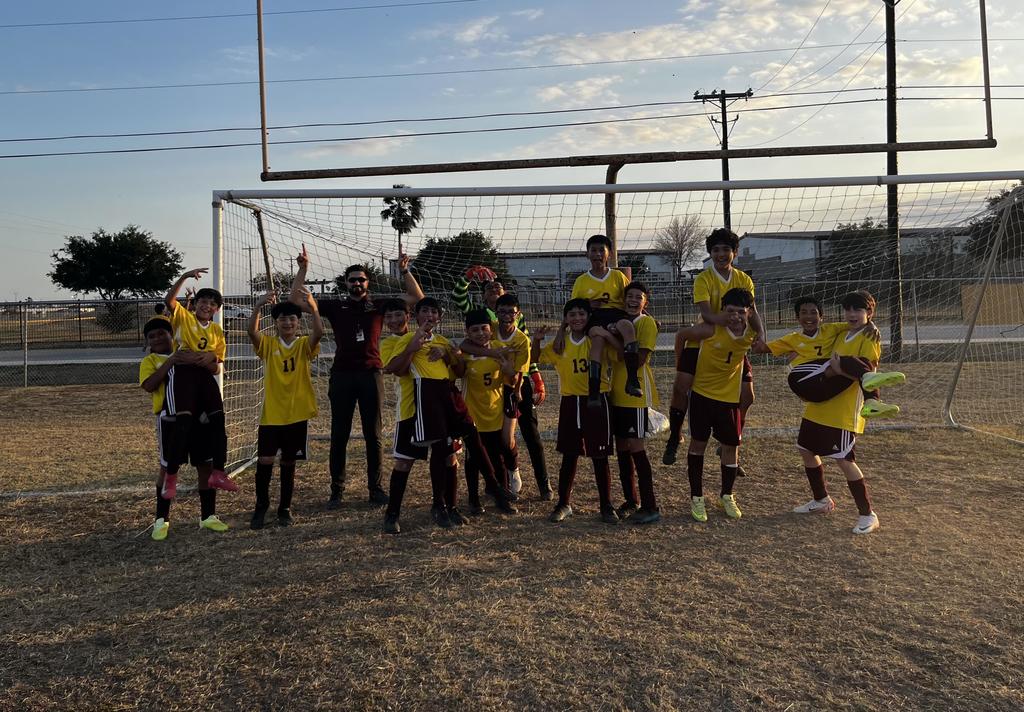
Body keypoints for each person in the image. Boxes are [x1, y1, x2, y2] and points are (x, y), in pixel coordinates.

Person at [289, 245, 423, 508]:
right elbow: (295, 301)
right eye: (352, 280)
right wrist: (303, 269)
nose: (357, 283)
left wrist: (405, 270)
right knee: (339, 434)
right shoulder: (335, 306)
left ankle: (376, 489)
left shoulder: (379, 305)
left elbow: (417, 298)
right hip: (342, 375)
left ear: (367, 282)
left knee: (373, 435)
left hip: (371, 373)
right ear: (346, 283)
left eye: (361, 279)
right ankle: (336, 491)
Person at [383, 298, 514, 534]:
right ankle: (392, 514)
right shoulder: (401, 340)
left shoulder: (442, 341)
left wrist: (448, 355)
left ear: (439, 317)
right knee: (404, 461)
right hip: (411, 409)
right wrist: (413, 347)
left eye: (434, 312)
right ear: (415, 316)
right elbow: (395, 369)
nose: (429, 316)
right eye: (425, 311)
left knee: (450, 455)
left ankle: (450, 506)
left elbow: (457, 372)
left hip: (444, 404)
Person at [663, 228, 766, 469]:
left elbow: (752, 312)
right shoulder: (704, 279)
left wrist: (761, 334)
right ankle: (675, 436)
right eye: (716, 250)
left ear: (735, 252)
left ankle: (729, 442)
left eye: (726, 249)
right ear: (710, 253)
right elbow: (708, 315)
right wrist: (731, 320)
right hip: (704, 341)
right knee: (680, 388)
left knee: (747, 396)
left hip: (733, 344)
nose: (721, 254)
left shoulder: (744, 280)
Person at [790, 290, 887, 535]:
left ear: (869, 313)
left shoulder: (869, 337)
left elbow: (867, 371)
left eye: (858, 310)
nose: (852, 314)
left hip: (843, 409)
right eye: (848, 309)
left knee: (844, 460)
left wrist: (838, 369)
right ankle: (821, 500)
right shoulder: (842, 333)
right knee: (806, 449)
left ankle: (868, 514)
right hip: (820, 404)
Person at [453, 267, 552, 499]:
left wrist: (535, 379)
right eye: (489, 288)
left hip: (516, 384)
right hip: (492, 386)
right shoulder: (487, 322)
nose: (494, 289)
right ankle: (499, 483)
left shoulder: (518, 326)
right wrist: (468, 275)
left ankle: (543, 483)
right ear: (489, 302)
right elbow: (460, 304)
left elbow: (526, 358)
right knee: (497, 440)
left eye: (498, 286)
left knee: (530, 434)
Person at [674, 288, 757, 523]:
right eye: (730, 311)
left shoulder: (751, 332)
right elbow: (681, 335)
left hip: (729, 398)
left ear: (749, 313)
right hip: (702, 395)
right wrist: (681, 364)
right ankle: (697, 497)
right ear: (722, 311)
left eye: (740, 312)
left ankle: (727, 495)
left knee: (731, 447)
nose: (735, 316)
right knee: (698, 445)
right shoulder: (710, 329)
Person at [139, 315, 226, 539]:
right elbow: (149, 385)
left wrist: (209, 358)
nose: (157, 338)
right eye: (152, 336)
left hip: (198, 418)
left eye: (162, 333)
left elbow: (215, 368)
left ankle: (208, 516)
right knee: (168, 467)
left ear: (172, 334)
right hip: (170, 420)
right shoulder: (150, 361)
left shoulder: (187, 351)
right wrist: (171, 361)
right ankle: (161, 520)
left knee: (204, 464)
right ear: (147, 342)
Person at [533, 299, 619, 525]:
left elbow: (620, 354)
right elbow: (535, 359)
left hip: (596, 400)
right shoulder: (560, 343)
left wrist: (607, 334)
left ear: (589, 316)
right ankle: (563, 503)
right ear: (566, 319)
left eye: (582, 314)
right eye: (572, 314)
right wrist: (537, 340)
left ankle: (606, 505)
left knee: (600, 456)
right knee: (569, 455)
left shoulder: (596, 339)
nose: (577, 318)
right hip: (570, 402)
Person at [246, 289, 324, 529]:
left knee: (289, 462)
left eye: (292, 318)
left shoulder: (303, 345)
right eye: (282, 319)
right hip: (272, 415)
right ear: (276, 323)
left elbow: (319, 333)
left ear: (298, 322)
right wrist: (258, 306)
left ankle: (285, 509)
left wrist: (313, 308)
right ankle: (261, 507)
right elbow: (252, 332)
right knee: (265, 460)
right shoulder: (269, 344)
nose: (287, 322)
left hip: (296, 414)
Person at [751, 295, 905, 415]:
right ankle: (867, 377)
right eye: (804, 313)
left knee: (856, 362)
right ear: (797, 318)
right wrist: (754, 338)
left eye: (814, 313)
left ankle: (872, 401)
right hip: (804, 379)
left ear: (821, 317)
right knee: (841, 361)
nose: (809, 317)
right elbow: (762, 348)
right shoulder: (792, 339)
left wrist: (871, 324)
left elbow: (857, 323)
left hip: (825, 384)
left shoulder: (830, 330)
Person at [163, 268, 237, 494]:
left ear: (217, 309)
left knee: (218, 421)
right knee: (183, 423)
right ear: (195, 304)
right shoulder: (184, 318)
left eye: (212, 303)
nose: (207, 306)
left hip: (205, 377)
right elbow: (169, 300)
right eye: (203, 301)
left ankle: (219, 473)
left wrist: (208, 358)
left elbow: (216, 366)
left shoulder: (217, 331)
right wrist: (184, 276)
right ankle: (171, 476)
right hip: (184, 374)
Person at [608, 282, 661, 524]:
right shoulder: (620, 323)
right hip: (616, 393)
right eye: (629, 296)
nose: (633, 300)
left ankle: (651, 506)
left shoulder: (645, 323)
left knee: (636, 447)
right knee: (622, 447)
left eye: (638, 297)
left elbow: (638, 360)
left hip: (635, 395)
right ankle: (631, 500)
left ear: (645, 302)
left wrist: (611, 337)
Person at [460, 308, 520, 515]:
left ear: (491, 329)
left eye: (484, 328)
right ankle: (473, 499)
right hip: (473, 415)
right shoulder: (465, 354)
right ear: (467, 332)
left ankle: (501, 498)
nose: (480, 333)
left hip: (495, 413)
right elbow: (457, 366)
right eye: (474, 330)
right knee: (473, 460)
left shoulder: (500, 349)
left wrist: (510, 372)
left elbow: (512, 380)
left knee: (498, 457)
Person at [569, 234, 642, 404]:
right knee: (598, 339)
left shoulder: (618, 277)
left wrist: (647, 315)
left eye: (602, 250)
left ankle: (632, 380)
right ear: (587, 254)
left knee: (627, 327)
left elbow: (629, 299)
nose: (598, 254)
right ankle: (594, 392)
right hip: (594, 317)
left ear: (609, 253)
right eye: (593, 250)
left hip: (616, 315)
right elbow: (573, 307)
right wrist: (588, 304)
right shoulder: (581, 281)